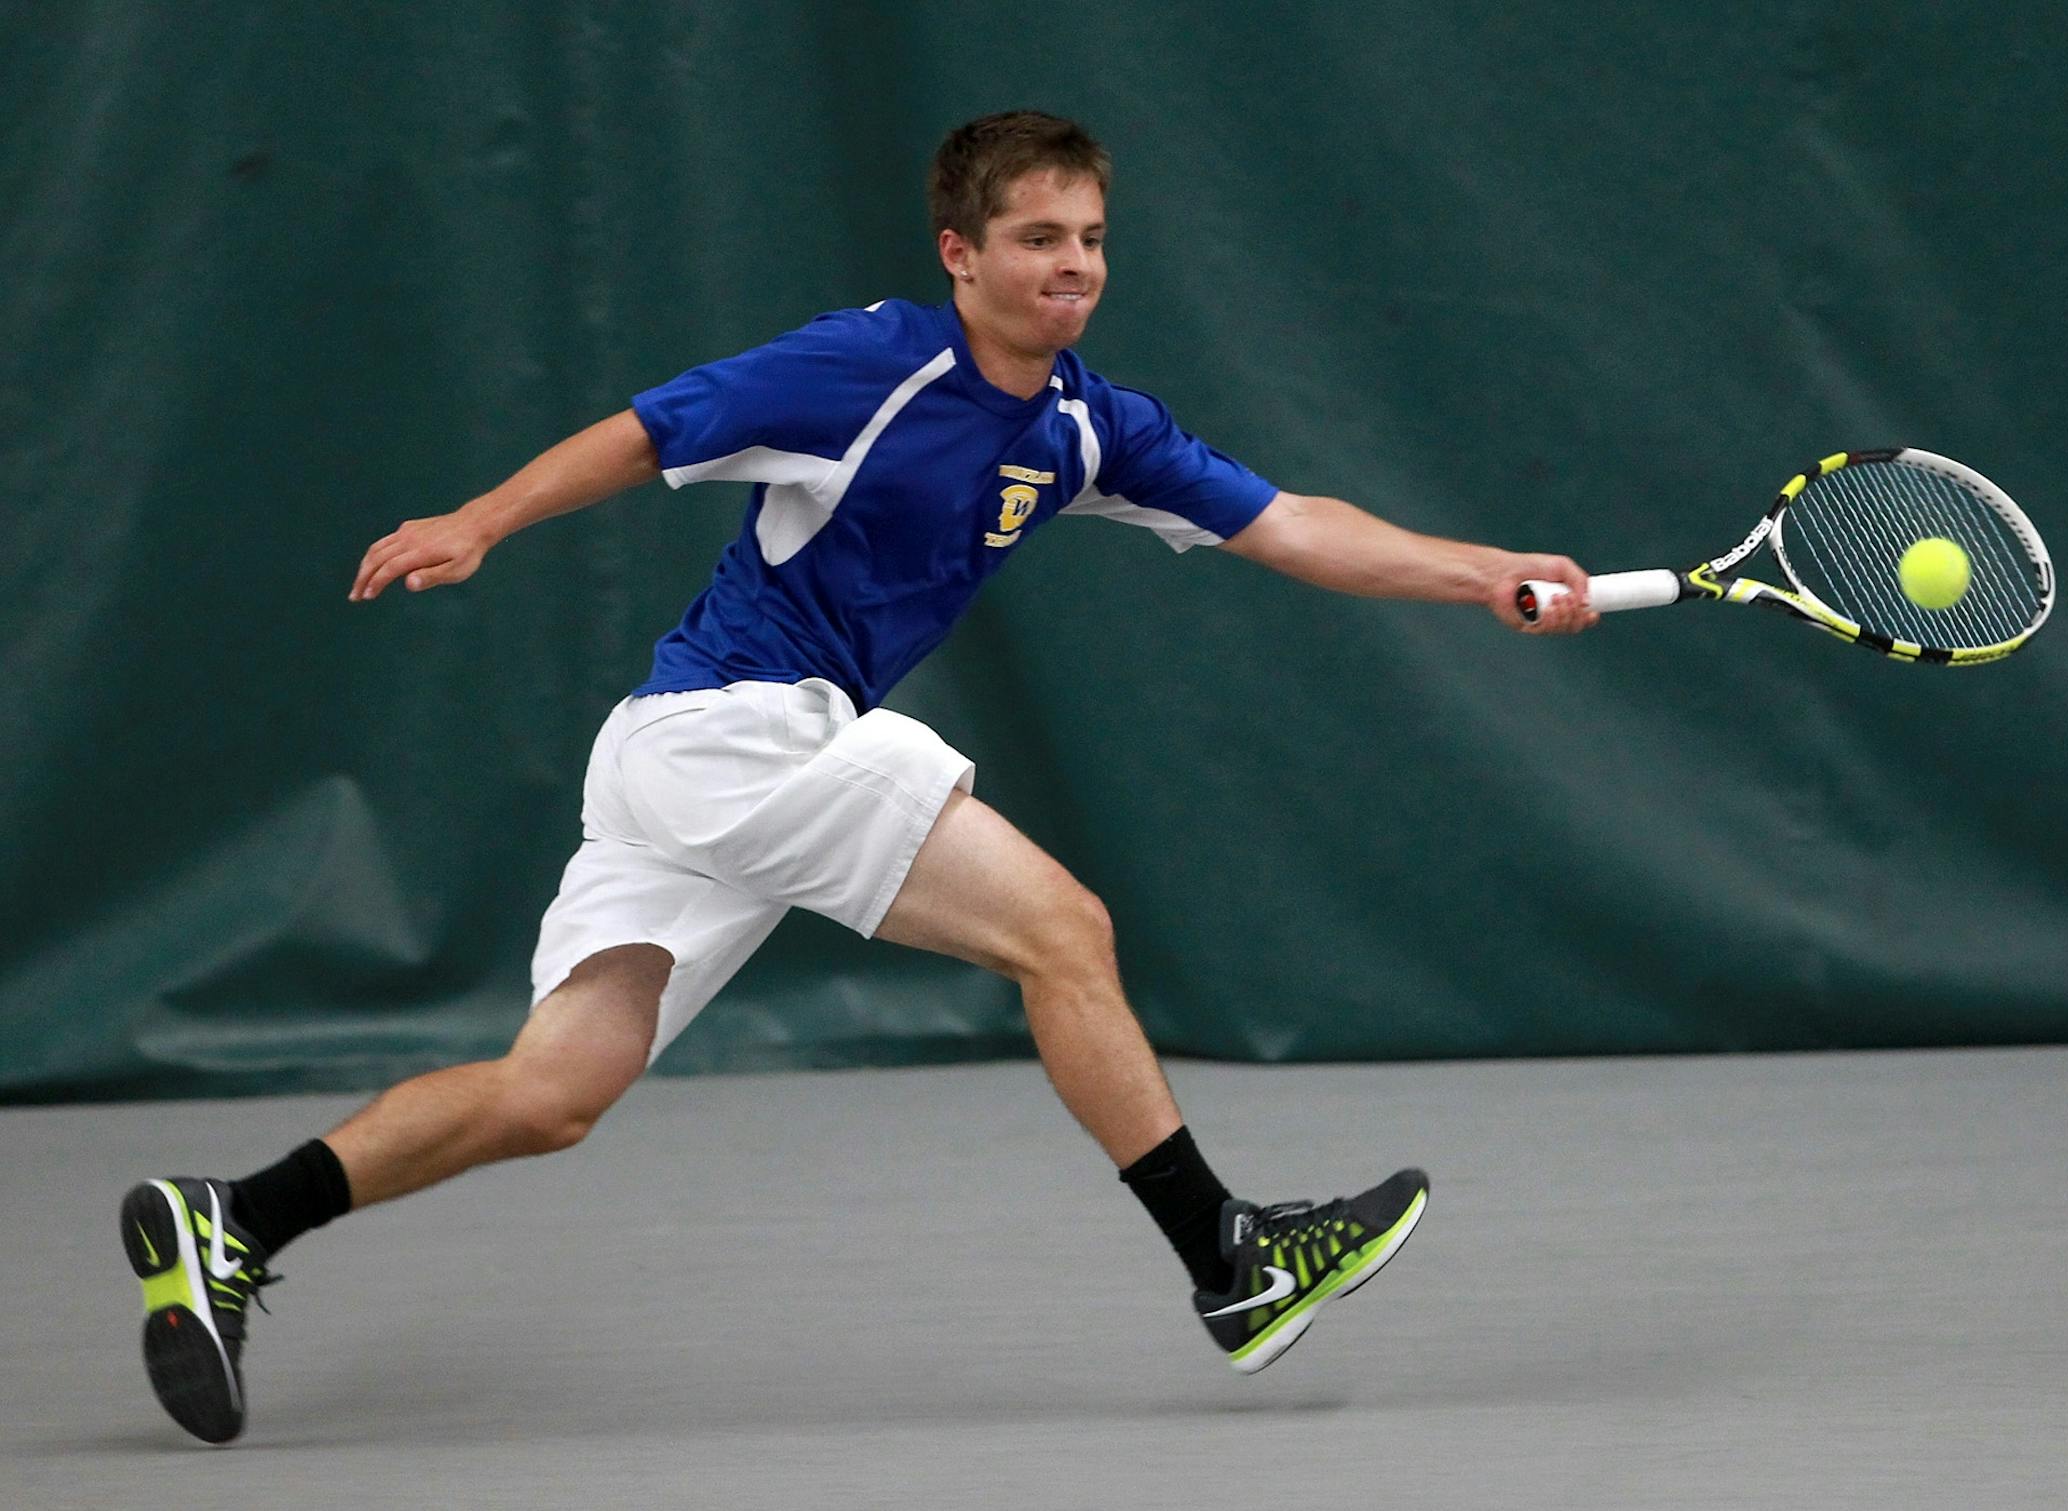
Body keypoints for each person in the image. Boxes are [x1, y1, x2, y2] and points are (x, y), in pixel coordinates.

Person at [121, 110, 1596, 1444]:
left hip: (681, 767)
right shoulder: (872, 362)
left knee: (552, 1091)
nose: (1072, 266)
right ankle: (1231, 1262)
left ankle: (233, 1219)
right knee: (1062, 929)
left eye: (1089, 239)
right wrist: (484, 519)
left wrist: (1485, 576)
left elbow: (1292, 526)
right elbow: (653, 429)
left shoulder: (1090, 422)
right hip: (739, 731)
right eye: (1036, 239)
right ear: (962, 253)